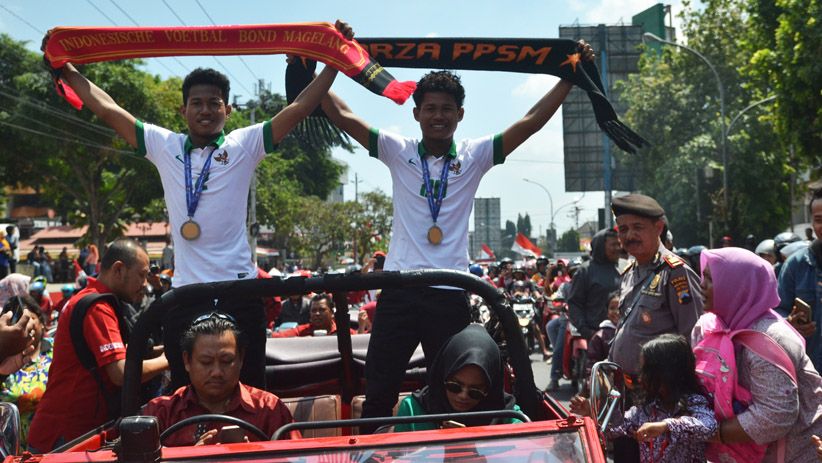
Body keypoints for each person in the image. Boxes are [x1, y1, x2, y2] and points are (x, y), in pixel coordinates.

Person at [43, 21, 354, 391]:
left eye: (213, 103)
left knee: (250, 387)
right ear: (183, 109)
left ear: (229, 109)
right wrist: (66, 69)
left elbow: (301, 107)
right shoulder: (165, 146)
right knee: (186, 392)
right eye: (197, 103)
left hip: (241, 292)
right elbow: (108, 109)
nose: (205, 110)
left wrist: (335, 61)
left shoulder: (244, 144)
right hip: (187, 295)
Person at [319, 40, 595, 431]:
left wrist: (568, 79)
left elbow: (530, 121)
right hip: (397, 290)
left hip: (449, 292)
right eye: (430, 108)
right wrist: (318, 64)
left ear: (460, 114)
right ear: (415, 113)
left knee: (450, 395)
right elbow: (343, 115)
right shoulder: (397, 150)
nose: (438, 116)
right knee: (379, 391)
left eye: (447, 109)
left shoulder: (475, 154)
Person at [27, 239, 169, 452]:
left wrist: (159, 352)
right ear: (119, 269)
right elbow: (121, 373)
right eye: (141, 275)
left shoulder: (91, 299)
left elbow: (119, 355)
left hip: (72, 431)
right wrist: (168, 360)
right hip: (67, 436)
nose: (145, 284)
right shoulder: (98, 307)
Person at [694, 247, 822, 462]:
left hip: (792, 453)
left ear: (737, 287)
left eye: (710, 278)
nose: (701, 284)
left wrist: (712, 433)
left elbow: (775, 416)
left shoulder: (770, 340)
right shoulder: (708, 326)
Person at [608, 194, 703, 462]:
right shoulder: (629, 273)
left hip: (661, 401)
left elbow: (693, 340)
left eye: (638, 227)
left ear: (658, 228)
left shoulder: (676, 273)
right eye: (623, 229)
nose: (629, 236)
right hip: (627, 394)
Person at [143, 313, 292, 446]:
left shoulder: (269, 409)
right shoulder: (160, 414)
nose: (217, 372)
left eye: (226, 361)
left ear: (241, 359)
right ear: (187, 361)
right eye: (206, 362)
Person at [572, 334, 717, 462]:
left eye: (645, 370)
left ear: (666, 373)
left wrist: (665, 426)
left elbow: (709, 427)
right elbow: (617, 428)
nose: (640, 377)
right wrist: (592, 413)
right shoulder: (647, 409)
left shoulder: (693, 402)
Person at [395, 324, 521, 432]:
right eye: (454, 386)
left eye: (475, 392)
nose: (463, 396)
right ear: (443, 376)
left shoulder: (508, 416)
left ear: (489, 389)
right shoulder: (412, 410)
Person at [547, 229, 619, 390]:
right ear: (601, 246)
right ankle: (555, 375)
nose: (617, 248)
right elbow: (574, 303)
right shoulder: (585, 271)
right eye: (613, 244)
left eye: (618, 244)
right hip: (592, 334)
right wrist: (587, 330)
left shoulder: (621, 269)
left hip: (618, 334)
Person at [777, 187, 822, 372]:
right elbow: (775, 316)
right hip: (811, 375)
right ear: (812, 222)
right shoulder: (795, 266)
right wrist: (790, 324)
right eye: (819, 220)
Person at [0, 295, 52, 449]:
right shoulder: (5, 360)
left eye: (30, 318)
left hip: (57, 448)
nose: (25, 325)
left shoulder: (60, 352)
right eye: (19, 320)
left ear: (42, 323)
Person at [581, 292, 619, 394]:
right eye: (612, 308)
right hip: (606, 386)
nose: (616, 312)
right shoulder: (600, 336)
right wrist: (591, 381)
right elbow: (592, 363)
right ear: (607, 312)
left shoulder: (632, 332)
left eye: (619, 307)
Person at [271, 293, 355, 338]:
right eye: (313, 311)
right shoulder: (301, 332)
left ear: (332, 312)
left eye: (322, 310)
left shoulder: (344, 332)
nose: (317, 314)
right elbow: (277, 336)